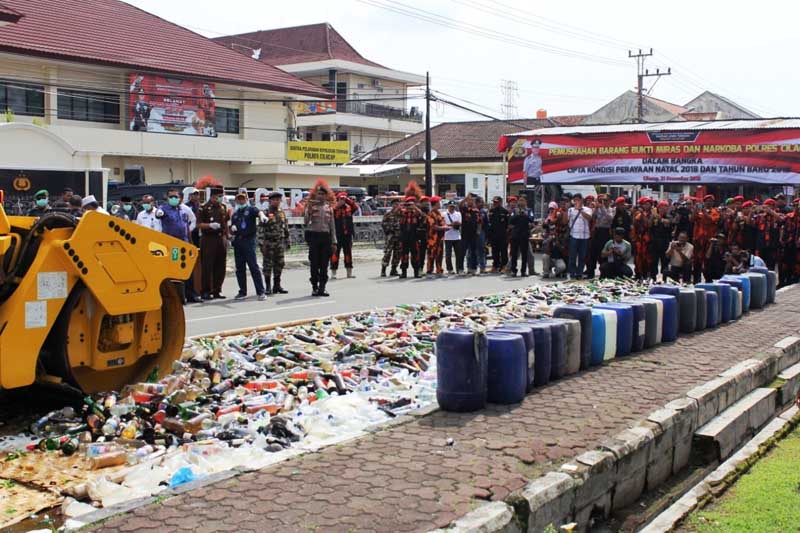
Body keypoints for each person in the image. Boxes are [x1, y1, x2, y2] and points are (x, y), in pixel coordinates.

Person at [229, 193, 267, 301]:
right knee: (239, 268)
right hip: (238, 242)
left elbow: (258, 212)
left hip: (249, 241)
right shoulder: (235, 214)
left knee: (253, 267)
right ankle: (242, 291)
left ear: (246, 199)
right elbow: (231, 229)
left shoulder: (251, 209)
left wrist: (262, 216)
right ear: (236, 201)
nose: (241, 201)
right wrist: (232, 228)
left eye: (243, 199)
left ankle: (261, 292)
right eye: (239, 199)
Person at [304, 180, 336, 296]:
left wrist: (334, 242)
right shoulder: (312, 207)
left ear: (326, 196)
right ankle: (315, 287)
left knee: (324, 264)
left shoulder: (329, 208)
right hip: (314, 237)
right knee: (314, 264)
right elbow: (306, 222)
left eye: (323, 194)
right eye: (319, 194)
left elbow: (332, 226)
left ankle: (323, 287)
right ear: (316, 195)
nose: (321, 196)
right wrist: (308, 210)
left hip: (325, 238)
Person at [198, 187, 229, 300]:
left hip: (221, 239)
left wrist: (228, 235)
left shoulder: (223, 207)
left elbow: (225, 223)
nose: (220, 199)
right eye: (218, 197)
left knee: (220, 266)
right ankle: (205, 291)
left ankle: (217, 290)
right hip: (208, 239)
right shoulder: (204, 208)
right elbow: (199, 224)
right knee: (207, 266)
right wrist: (209, 225)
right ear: (212, 197)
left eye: (221, 196)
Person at [258, 191, 290, 295]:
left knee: (280, 264)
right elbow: (260, 229)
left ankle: (277, 285)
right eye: (274, 200)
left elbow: (285, 227)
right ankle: (267, 287)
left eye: (278, 200)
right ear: (270, 201)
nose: (276, 202)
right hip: (269, 243)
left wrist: (287, 240)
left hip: (279, 243)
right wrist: (261, 244)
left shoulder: (282, 212)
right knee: (268, 265)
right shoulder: (265, 213)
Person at [692, 194, 721, 283]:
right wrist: (694, 211)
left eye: (711, 201)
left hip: (709, 241)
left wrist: (705, 213)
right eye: (707, 201)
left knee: (708, 261)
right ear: (704, 202)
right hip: (698, 240)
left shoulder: (715, 212)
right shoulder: (699, 211)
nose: (709, 202)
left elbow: (712, 220)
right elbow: (692, 219)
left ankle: (708, 280)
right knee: (696, 260)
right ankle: (696, 280)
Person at [330, 192, 358, 279]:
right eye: (341, 199)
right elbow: (332, 211)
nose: (342, 201)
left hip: (347, 235)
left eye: (343, 199)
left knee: (348, 254)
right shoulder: (334, 208)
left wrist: (348, 200)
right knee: (335, 254)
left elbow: (356, 207)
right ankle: (333, 273)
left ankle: (349, 273)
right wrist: (338, 204)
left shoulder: (349, 208)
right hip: (337, 235)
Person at [586, 194, 613, 279]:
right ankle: (590, 273)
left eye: (605, 200)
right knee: (592, 253)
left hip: (605, 232)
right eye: (601, 200)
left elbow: (610, 218)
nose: (603, 202)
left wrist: (602, 207)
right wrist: (597, 208)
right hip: (597, 231)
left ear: (609, 201)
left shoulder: (611, 209)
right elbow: (592, 217)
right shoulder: (598, 208)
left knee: (603, 254)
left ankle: (603, 274)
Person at [567, 193, 592, 280]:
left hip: (584, 236)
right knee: (573, 255)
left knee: (582, 256)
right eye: (575, 200)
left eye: (578, 200)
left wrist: (580, 210)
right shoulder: (570, 210)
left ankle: (579, 273)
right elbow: (567, 221)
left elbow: (589, 218)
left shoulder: (587, 209)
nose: (576, 202)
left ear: (582, 200)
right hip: (574, 235)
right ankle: (572, 273)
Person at [508, 196, 533, 277]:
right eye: (520, 201)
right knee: (514, 254)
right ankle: (513, 271)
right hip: (515, 235)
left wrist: (525, 214)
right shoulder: (514, 210)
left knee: (524, 254)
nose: (521, 202)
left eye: (523, 201)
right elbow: (511, 220)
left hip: (524, 235)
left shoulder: (529, 210)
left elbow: (531, 219)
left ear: (526, 202)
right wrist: (518, 214)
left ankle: (523, 271)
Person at [755, 198, 782, 270]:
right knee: (759, 266)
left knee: (771, 266)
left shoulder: (777, 215)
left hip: (772, 245)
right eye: (765, 206)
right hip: (761, 244)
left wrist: (771, 211)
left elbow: (781, 220)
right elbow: (750, 223)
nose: (766, 209)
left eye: (769, 206)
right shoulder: (760, 216)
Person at [650, 200, 673, 281]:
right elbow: (649, 225)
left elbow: (667, 222)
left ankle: (664, 279)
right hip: (655, 242)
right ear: (658, 208)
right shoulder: (654, 216)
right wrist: (653, 217)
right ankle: (653, 278)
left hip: (665, 242)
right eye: (661, 208)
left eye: (665, 208)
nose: (663, 209)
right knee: (653, 262)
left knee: (665, 262)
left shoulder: (669, 216)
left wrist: (657, 215)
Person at [631, 197, 654, 280]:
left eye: (648, 204)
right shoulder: (637, 214)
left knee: (647, 259)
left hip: (648, 240)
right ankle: (638, 274)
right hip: (638, 239)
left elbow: (649, 224)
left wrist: (642, 215)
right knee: (637, 258)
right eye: (644, 204)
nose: (646, 206)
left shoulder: (652, 214)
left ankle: (646, 274)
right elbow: (634, 225)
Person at [459, 195, 481, 276]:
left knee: (474, 252)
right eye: (469, 200)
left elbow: (479, 222)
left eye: (472, 200)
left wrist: (478, 231)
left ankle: (473, 269)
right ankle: (460, 269)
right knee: (462, 252)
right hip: (465, 234)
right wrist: (465, 198)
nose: (470, 201)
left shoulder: (476, 211)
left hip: (474, 235)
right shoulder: (464, 209)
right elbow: (460, 204)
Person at [381, 198, 402, 277]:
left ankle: (394, 269)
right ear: (392, 205)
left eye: (398, 204)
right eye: (395, 204)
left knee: (398, 253)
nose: (397, 206)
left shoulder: (402, 214)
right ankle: (383, 270)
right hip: (391, 236)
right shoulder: (388, 214)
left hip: (399, 236)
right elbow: (383, 224)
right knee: (387, 253)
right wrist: (389, 229)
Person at [426, 196, 446, 277]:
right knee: (431, 255)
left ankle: (439, 270)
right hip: (432, 239)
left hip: (439, 238)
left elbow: (442, 223)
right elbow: (433, 226)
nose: (440, 204)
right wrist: (444, 228)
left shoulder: (438, 213)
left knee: (439, 254)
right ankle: (429, 272)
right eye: (439, 202)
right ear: (436, 203)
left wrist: (446, 227)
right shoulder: (431, 214)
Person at [487, 196, 509, 273]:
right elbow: (489, 223)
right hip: (493, 235)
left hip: (502, 235)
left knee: (503, 251)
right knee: (494, 251)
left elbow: (508, 224)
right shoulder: (491, 211)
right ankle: (495, 266)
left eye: (496, 202)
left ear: (500, 202)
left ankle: (504, 266)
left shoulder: (505, 211)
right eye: (494, 202)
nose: (494, 203)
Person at [443, 200, 464, 275]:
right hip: (447, 236)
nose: (452, 208)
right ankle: (450, 269)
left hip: (457, 236)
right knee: (448, 255)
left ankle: (459, 269)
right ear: (447, 206)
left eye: (453, 207)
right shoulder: (444, 214)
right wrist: (452, 225)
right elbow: (443, 224)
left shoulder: (458, 214)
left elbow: (459, 223)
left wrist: (451, 225)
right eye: (450, 206)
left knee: (458, 254)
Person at [474, 197, 489, 274]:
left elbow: (487, 223)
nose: (482, 203)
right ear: (476, 203)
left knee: (482, 250)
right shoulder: (473, 210)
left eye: (483, 202)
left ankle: (482, 267)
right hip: (473, 233)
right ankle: (473, 267)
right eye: (481, 202)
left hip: (482, 232)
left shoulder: (484, 211)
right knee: (473, 250)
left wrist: (487, 235)